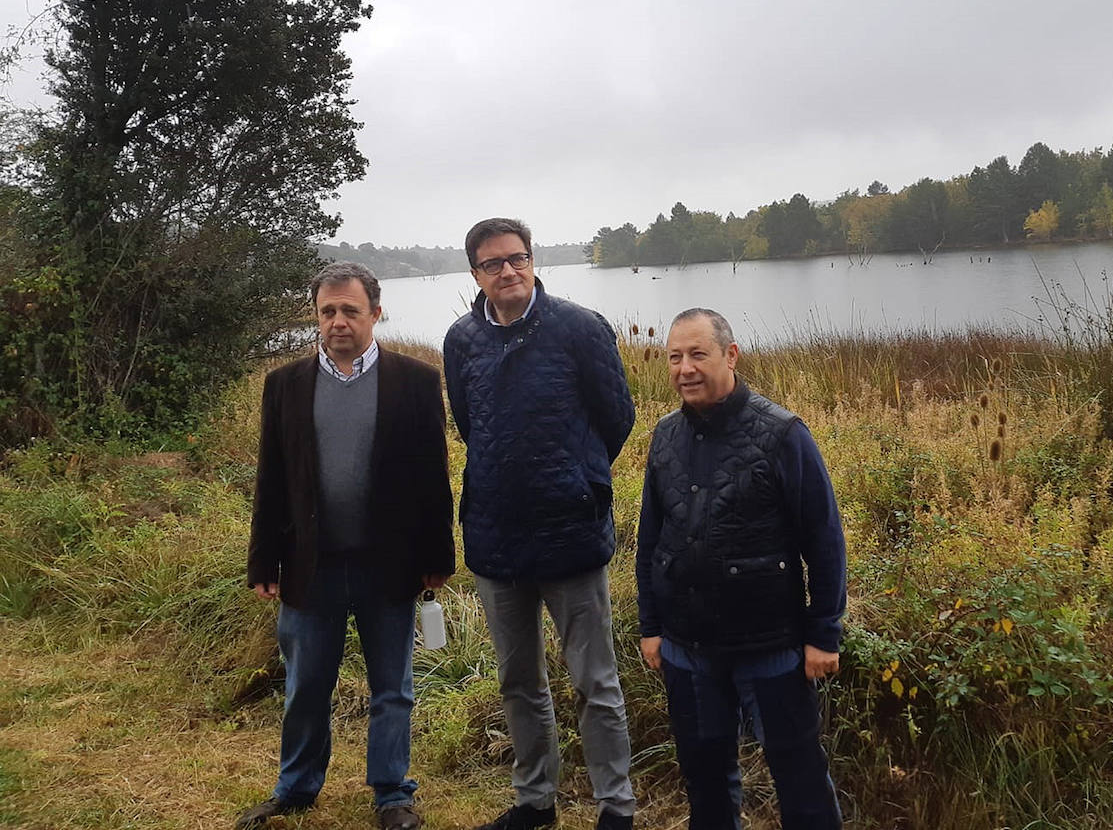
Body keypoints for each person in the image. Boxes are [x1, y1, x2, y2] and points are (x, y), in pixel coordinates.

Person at [238, 262, 454, 830]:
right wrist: (263, 558)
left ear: (375, 314)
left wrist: (438, 556)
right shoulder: (285, 385)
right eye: (328, 310)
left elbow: (434, 474)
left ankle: (392, 795)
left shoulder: (415, 380)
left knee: (393, 688)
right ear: (318, 316)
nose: (338, 321)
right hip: (311, 565)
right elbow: (272, 478)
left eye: (350, 311)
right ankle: (296, 787)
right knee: (307, 684)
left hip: (390, 564)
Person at [443, 218, 637, 830]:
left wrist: (578, 477)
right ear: (475, 273)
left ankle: (616, 807)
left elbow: (617, 417)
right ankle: (535, 802)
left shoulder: (580, 328)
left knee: (594, 683)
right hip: (496, 538)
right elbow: (471, 426)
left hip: (571, 535)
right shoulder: (461, 341)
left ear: (533, 260)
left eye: (517, 258)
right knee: (519, 683)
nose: (508, 271)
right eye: (493, 263)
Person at [636, 308, 847, 830]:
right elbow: (651, 542)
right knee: (705, 781)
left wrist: (824, 633)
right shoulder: (664, 437)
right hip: (687, 649)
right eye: (675, 357)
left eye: (698, 354)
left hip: (771, 647)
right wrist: (651, 627)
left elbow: (823, 540)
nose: (685, 368)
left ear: (730, 355)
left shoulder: (783, 435)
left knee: (799, 779)